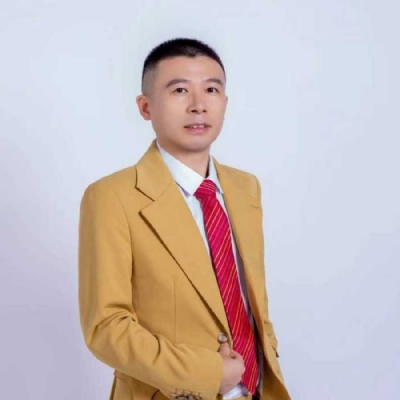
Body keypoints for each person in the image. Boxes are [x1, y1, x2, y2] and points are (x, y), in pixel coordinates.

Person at [78, 38, 290, 400]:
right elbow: (106, 327)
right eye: (179, 90)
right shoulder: (112, 197)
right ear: (146, 107)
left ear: (225, 103)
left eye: (211, 89)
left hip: (258, 389)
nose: (198, 105)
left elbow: (249, 299)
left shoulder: (245, 187)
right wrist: (207, 373)